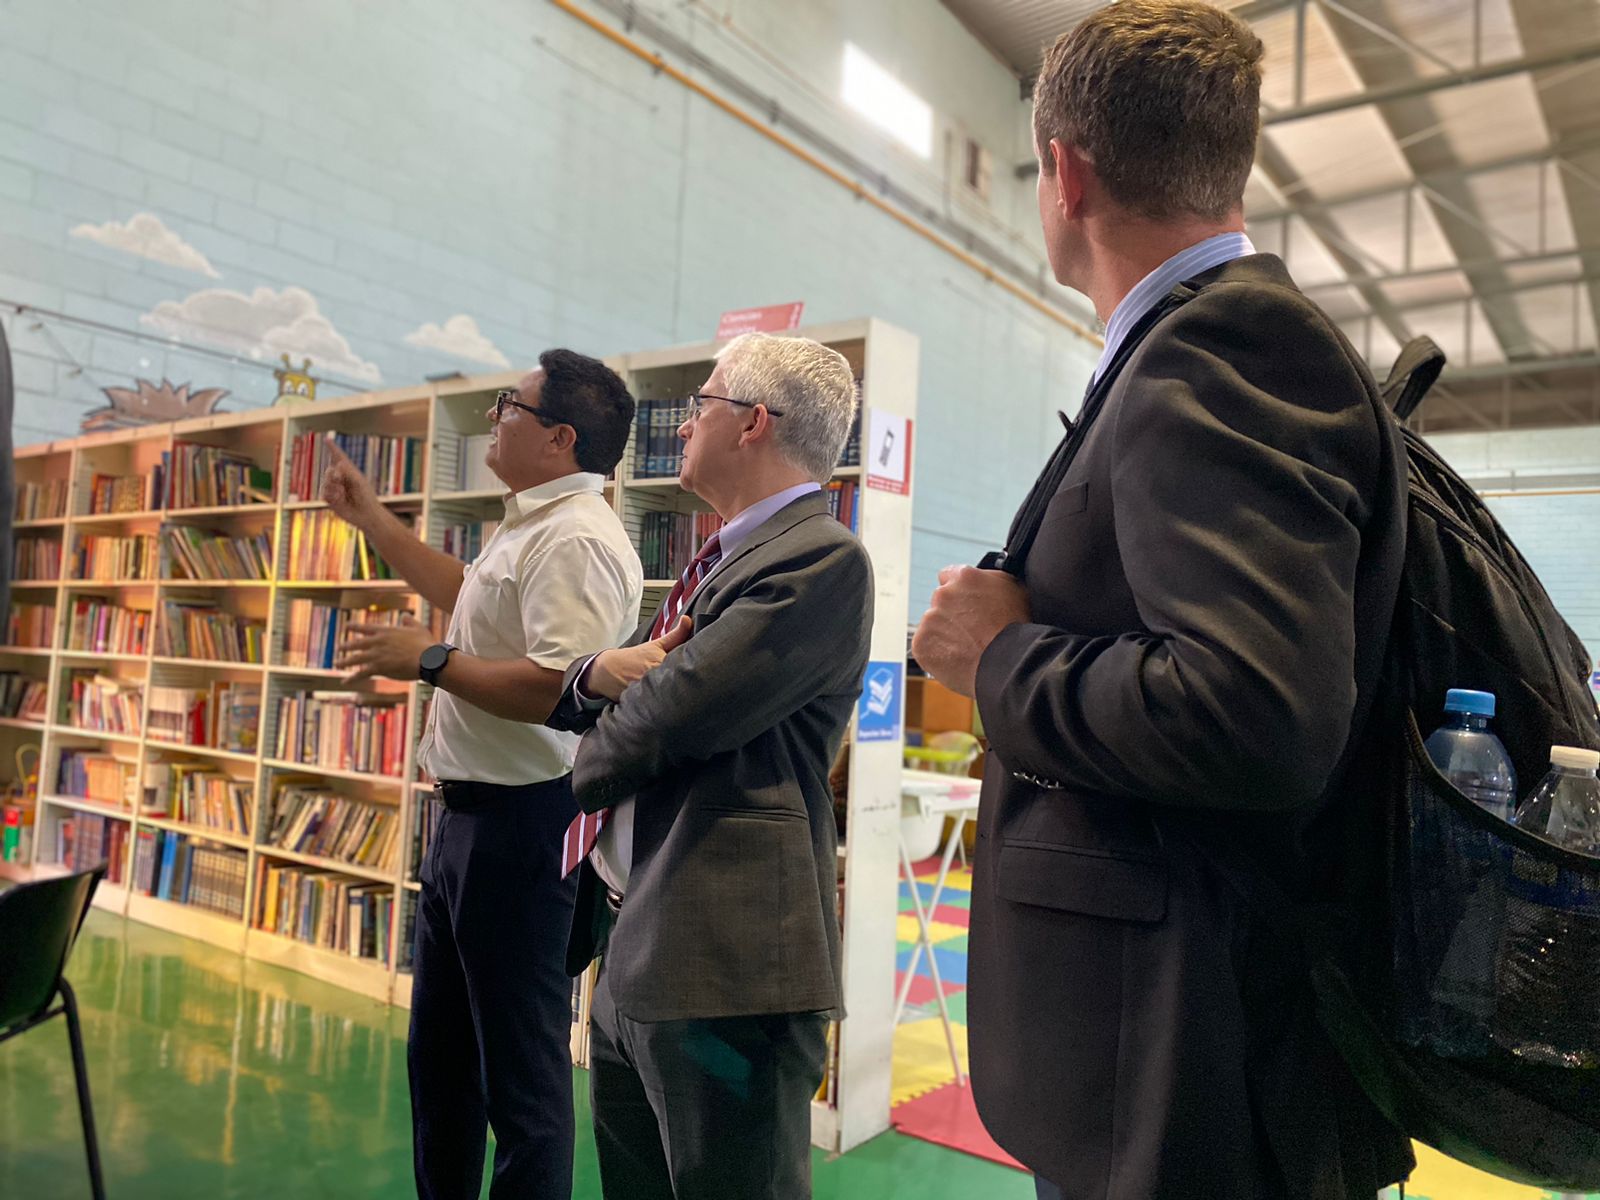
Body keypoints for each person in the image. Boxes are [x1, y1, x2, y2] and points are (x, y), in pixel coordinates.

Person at [911, 3, 1414, 1198]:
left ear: (1065, 174)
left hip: (1188, 1064)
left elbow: (1256, 712)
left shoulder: (1222, 344)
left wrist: (1000, 658)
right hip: (1167, 1049)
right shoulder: (1190, 350)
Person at [546, 331, 871, 1200]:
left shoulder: (818, 558)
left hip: (726, 973)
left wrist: (593, 737)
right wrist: (612, 683)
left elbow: (660, 720)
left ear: (754, 421)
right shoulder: (725, 558)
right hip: (638, 945)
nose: (685, 425)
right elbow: (638, 686)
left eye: (701, 406)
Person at [324, 350, 642, 1200]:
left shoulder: (577, 539)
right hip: (469, 824)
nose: (495, 417)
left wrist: (429, 660)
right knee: (444, 1066)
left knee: (520, 1082)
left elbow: (558, 688)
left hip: (522, 828)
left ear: (559, 438)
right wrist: (374, 519)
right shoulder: (534, 523)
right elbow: (469, 591)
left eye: (512, 405)